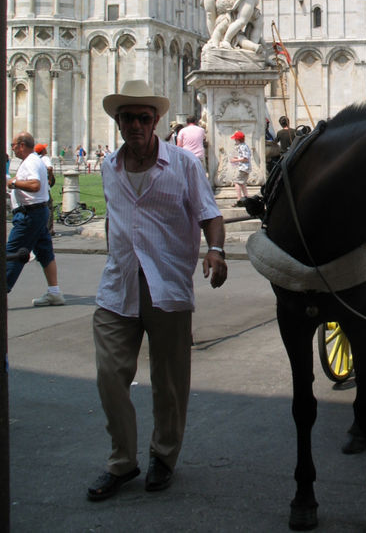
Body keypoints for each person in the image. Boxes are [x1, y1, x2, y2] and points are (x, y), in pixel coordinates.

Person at [87, 80, 227, 502]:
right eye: (126, 118)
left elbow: (209, 213)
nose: (134, 125)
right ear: (118, 122)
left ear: (156, 121)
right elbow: (115, 219)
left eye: (142, 118)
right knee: (110, 377)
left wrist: (216, 250)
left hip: (166, 286)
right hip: (118, 286)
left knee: (168, 383)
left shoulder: (183, 165)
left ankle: (163, 457)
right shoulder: (109, 166)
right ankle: (122, 462)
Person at [6, 132, 65, 306]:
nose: (12, 148)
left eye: (14, 145)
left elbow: (34, 184)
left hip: (29, 215)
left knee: (13, 252)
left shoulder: (31, 162)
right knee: (45, 252)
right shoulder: (34, 161)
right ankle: (54, 292)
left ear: (22, 145)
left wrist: (14, 184)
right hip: (38, 212)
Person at [34, 143, 56, 238]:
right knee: (49, 207)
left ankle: (41, 228)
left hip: (39, 187)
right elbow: (50, 168)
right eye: (45, 148)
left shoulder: (36, 159)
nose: (46, 150)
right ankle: (49, 230)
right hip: (45, 187)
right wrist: (50, 179)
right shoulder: (45, 158)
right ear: (42, 151)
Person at [229, 130, 251, 205]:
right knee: (242, 183)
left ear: (238, 139)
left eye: (236, 139)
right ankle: (246, 198)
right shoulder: (244, 145)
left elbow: (246, 158)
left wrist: (235, 160)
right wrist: (237, 157)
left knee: (237, 182)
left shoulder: (242, 146)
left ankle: (239, 200)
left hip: (243, 168)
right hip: (245, 167)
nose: (235, 140)